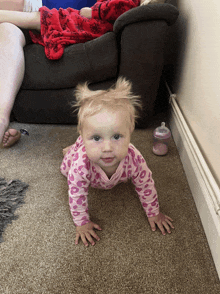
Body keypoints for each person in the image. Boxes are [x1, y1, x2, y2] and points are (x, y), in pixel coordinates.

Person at [0, 0, 152, 148]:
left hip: (66, 18)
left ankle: (3, 121)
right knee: (7, 29)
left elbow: (121, 5)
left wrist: (93, 12)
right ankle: (2, 117)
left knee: (27, 20)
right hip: (39, 17)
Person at [60, 78, 174, 247]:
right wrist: (82, 223)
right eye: (96, 138)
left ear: (130, 132)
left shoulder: (134, 158)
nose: (107, 147)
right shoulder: (79, 165)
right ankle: (73, 148)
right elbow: (77, 196)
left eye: (117, 137)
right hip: (80, 158)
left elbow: (146, 185)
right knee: (65, 169)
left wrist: (154, 213)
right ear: (84, 136)